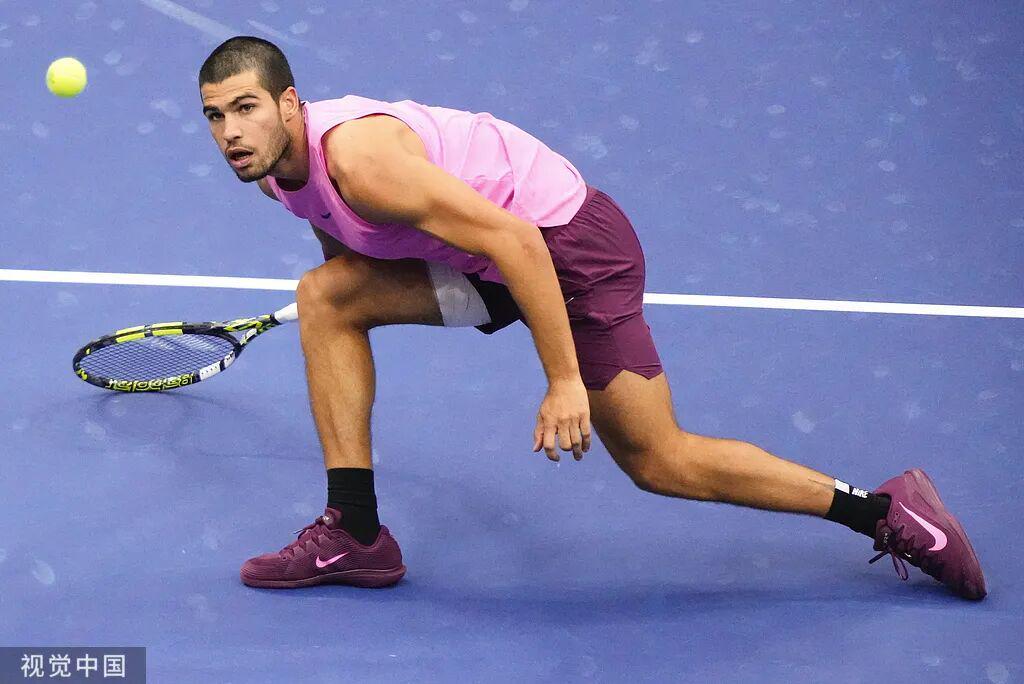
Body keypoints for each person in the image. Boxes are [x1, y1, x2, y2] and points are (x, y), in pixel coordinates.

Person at [198, 36, 986, 599]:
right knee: (327, 296)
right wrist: (345, 302)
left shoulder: (363, 162)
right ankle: (356, 533)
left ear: (290, 104)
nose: (231, 132)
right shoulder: (277, 171)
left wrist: (563, 380)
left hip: (567, 247)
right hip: (486, 258)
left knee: (659, 461)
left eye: (246, 108)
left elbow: (516, 240)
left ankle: (885, 511)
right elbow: (345, 242)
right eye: (215, 116)